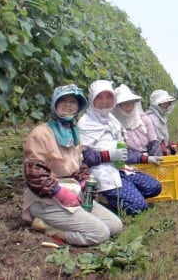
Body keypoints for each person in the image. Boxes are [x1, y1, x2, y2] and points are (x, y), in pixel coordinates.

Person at [21, 84, 123, 246]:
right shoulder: (41, 134)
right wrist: (60, 192)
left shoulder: (74, 134)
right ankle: (48, 226)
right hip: (46, 199)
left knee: (115, 226)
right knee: (100, 234)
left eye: (73, 102)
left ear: (78, 107)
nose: (68, 105)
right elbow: (34, 174)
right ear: (55, 104)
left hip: (72, 194)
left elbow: (79, 166)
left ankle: (69, 220)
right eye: (63, 101)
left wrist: (83, 182)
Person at [78, 80, 162, 216]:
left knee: (155, 187)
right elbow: (83, 158)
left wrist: (145, 158)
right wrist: (108, 155)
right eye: (99, 97)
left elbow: (122, 153)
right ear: (92, 99)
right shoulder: (85, 123)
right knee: (140, 208)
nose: (104, 101)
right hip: (102, 176)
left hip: (120, 170)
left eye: (108, 97)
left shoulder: (112, 120)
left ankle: (126, 194)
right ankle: (105, 198)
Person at [112, 84, 163, 164]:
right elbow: (122, 155)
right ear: (117, 106)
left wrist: (157, 161)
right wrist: (143, 159)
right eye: (124, 103)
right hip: (131, 164)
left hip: (151, 161)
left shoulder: (144, 120)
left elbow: (154, 145)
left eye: (131, 102)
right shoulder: (116, 127)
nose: (128, 106)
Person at [145, 89, 178, 159]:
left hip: (163, 149)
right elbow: (156, 144)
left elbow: (164, 137)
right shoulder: (151, 118)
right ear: (156, 104)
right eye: (164, 102)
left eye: (168, 102)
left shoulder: (160, 116)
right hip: (156, 155)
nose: (167, 105)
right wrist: (168, 153)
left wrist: (172, 146)